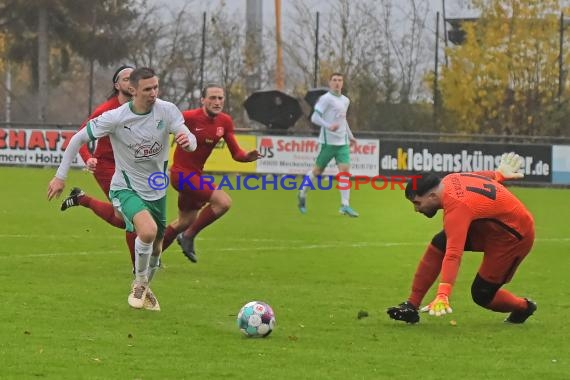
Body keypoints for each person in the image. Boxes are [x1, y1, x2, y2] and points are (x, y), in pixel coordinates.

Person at [47, 67, 197, 310]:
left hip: (156, 189)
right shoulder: (116, 117)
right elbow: (77, 139)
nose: (153, 93)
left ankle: (146, 287)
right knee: (146, 232)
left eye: (156, 87)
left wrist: (187, 141)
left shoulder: (167, 110)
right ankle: (139, 283)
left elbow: (189, 139)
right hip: (125, 187)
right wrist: (60, 177)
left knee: (157, 247)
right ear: (133, 90)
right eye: (147, 89)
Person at [387, 152, 537, 324]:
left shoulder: (456, 206)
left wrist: (443, 294)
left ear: (432, 197)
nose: (416, 209)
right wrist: (498, 174)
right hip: (491, 229)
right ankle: (411, 306)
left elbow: (453, 254)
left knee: (482, 294)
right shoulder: (450, 179)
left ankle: (525, 307)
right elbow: (479, 178)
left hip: (513, 238)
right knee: (440, 242)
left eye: (417, 203)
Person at [161, 83, 262, 263]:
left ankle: (153, 256)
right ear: (203, 100)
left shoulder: (225, 121)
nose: (217, 102)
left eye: (220, 98)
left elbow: (236, 154)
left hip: (195, 176)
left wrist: (247, 157)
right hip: (181, 175)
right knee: (223, 202)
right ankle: (188, 237)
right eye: (212, 98)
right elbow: (161, 125)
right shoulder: (189, 117)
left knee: (184, 222)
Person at [60, 65, 139, 269]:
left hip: (133, 167)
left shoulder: (142, 107)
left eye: (134, 78)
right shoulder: (106, 110)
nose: (131, 82)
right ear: (117, 84)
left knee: (126, 219)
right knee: (133, 217)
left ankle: (82, 199)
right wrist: (88, 159)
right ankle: (139, 269)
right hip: (107, 167)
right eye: (126, 79)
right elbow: (78, 137)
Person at [297, 72, 359, 217]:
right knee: (317, 171)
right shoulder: (325, 99)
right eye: (334, 80)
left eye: (340, 80)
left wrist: (351, 136)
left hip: (342, 143)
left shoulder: (345, 100)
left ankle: (345, 205)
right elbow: (314, 117)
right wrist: (328, 125)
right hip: (328, 143)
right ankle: (302, 194)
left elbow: (343, 120)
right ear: (330, 83)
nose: (337, 82)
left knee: (344, 172)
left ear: (342, 83)